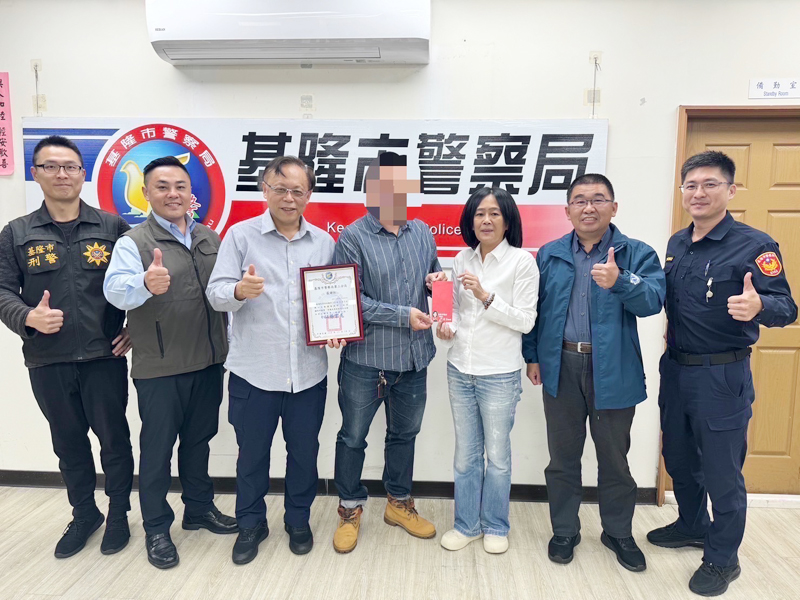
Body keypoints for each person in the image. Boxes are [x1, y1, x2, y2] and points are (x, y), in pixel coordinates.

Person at [648, 151, 796, 596]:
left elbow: (787, 308)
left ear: (730, 191)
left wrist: (760, 305)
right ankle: (692, 524)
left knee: (722, 472)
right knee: (678, 458)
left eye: (710, 184)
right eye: (691, 185)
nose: (699, 193)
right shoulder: (677, 243)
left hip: (722, 376)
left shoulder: (755, 245)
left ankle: (722, 559)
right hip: (676, 369)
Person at [0, 135, 135, 559]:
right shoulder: (17, 233)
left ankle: (118, 514)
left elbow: (138, 284)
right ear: (36, 174)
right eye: (51, 166)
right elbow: (3, 291)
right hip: (48, 360)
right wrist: (27, 317)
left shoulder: (113, 228)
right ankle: (84, 513)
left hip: (103, 357)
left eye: (70, 166)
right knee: (68, 443)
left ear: (82, 173)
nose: (62, 174)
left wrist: (135, 326)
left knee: (114, 440)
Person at [522, 173, 665, 571]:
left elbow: (653, 301)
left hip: (614, 368)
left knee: (614, 459)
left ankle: (617, 532)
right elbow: (535, 310)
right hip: (561, 365)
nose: (589, 207)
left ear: (613, 208)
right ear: (567, 210)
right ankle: (564, 530)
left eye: (599, 199)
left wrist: (622, 281)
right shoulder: (549, 254)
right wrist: (532, 355)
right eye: (580, 200)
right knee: (562, 458)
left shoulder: (636, 253)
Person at [104, 156, 236, 570]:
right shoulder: (134, 242)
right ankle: (157, 527)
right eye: (162, 186)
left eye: (180, 186)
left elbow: (223, 293)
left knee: (199, 441)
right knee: (157, 450)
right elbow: (115, 290)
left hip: (209, 361)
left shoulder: (210, 237)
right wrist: (143, 282)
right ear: (146, 193)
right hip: (160, 366)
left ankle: (198, 508)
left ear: (191, 193)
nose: (172, 194)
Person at [206, 156, 340, 564]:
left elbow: (334, 298)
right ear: (264, 190)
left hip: (308, 373)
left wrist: (335, 325)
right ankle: (251, 523)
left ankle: (298, 520)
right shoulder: (240, 236)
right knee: (251, 456)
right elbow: (215, 293)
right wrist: (239, 291)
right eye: (280, 189)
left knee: (304, 455)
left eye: (297, 190)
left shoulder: (324, 242)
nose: (288, 198)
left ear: (309, 195)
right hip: (254, 372)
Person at [331, 151, 447, 553]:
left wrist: (436, 284)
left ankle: (398, 503)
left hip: (414, 360)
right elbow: (348, 299)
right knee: (353, 437)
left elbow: (434, 280)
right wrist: (402, 316)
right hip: (366, 362)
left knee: (404, 435)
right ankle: (349, 508)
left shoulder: (423, 232)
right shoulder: (352, 237)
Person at [436, 187, 538, 554]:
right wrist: (446, 327)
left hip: (499, 373)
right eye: (480, 213)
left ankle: (495, 525)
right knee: (466, 456)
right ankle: (467, 525)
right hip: (460, 368)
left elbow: (526, 321)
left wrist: (485, 296)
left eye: (494, 213)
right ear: (470, 220)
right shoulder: (461, 259)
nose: (486, 220)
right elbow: (454, 312)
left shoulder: (522, 262)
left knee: (497, 456)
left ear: (508, 221)